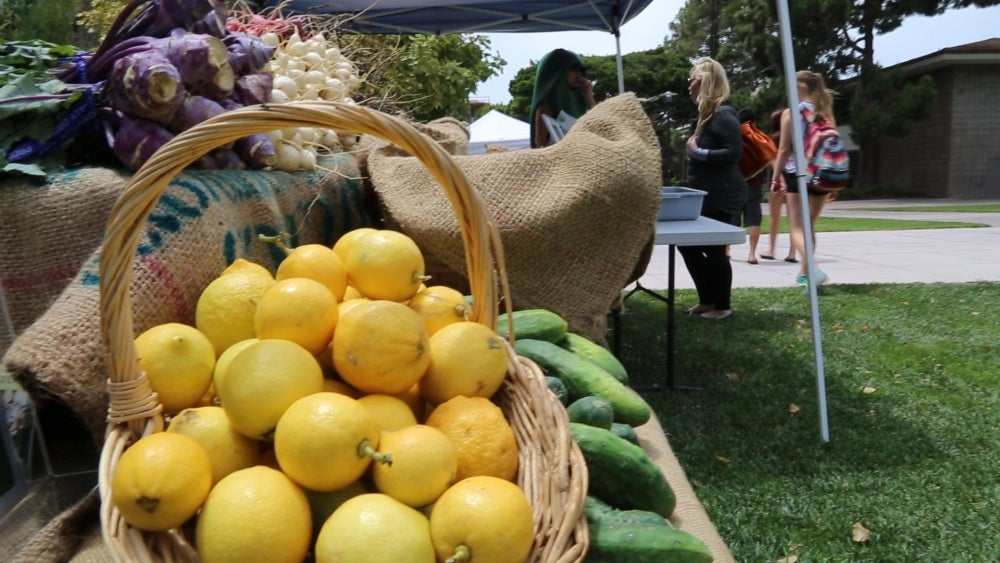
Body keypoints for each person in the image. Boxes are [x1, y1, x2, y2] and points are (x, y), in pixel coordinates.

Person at [679, 58, 747, 320]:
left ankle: (722, 306)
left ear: (706, 82)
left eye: (692, 79)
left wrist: (698, 152)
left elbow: (733, 153)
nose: (688, 85)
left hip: (723, 196)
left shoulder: (723, 113)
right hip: (709, 196)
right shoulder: (709, 115)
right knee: (688, 246)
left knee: (716, 250)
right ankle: (708, 300)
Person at [770, 70, 837, 289]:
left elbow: (783, 150)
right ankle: (804, 274)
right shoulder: (825, 110)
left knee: (797, 227)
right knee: (810, 226)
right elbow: (834, 143)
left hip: (798, 172)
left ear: (801, 87)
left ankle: (813, 268)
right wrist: (834, 182)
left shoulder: (790, 113)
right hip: (824, 172)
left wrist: (775, 177)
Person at [529, 49, 596, 148]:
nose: (579, 74)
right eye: (573, 69)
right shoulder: (546, 105)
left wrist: (589, 98)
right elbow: (540, 144)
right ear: (558, 72)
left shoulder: (580, 99)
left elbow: (599, 125)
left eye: (581, 71)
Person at [760, 109, 797, 263]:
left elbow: (773, 160)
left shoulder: (772, 139)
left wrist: (779, 179)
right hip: (795, 178)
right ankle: (792, 252)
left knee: (774, 217)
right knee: (793, 219)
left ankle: (771, 249)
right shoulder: (795, 138)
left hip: (779, 179)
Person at [737, 109, 765, 264]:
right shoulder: (759, 138)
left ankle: (727, 250)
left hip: (736, 184)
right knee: (754, 219)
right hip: (754, 185)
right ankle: (752, 254)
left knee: (732, 219)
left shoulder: (735, 137)